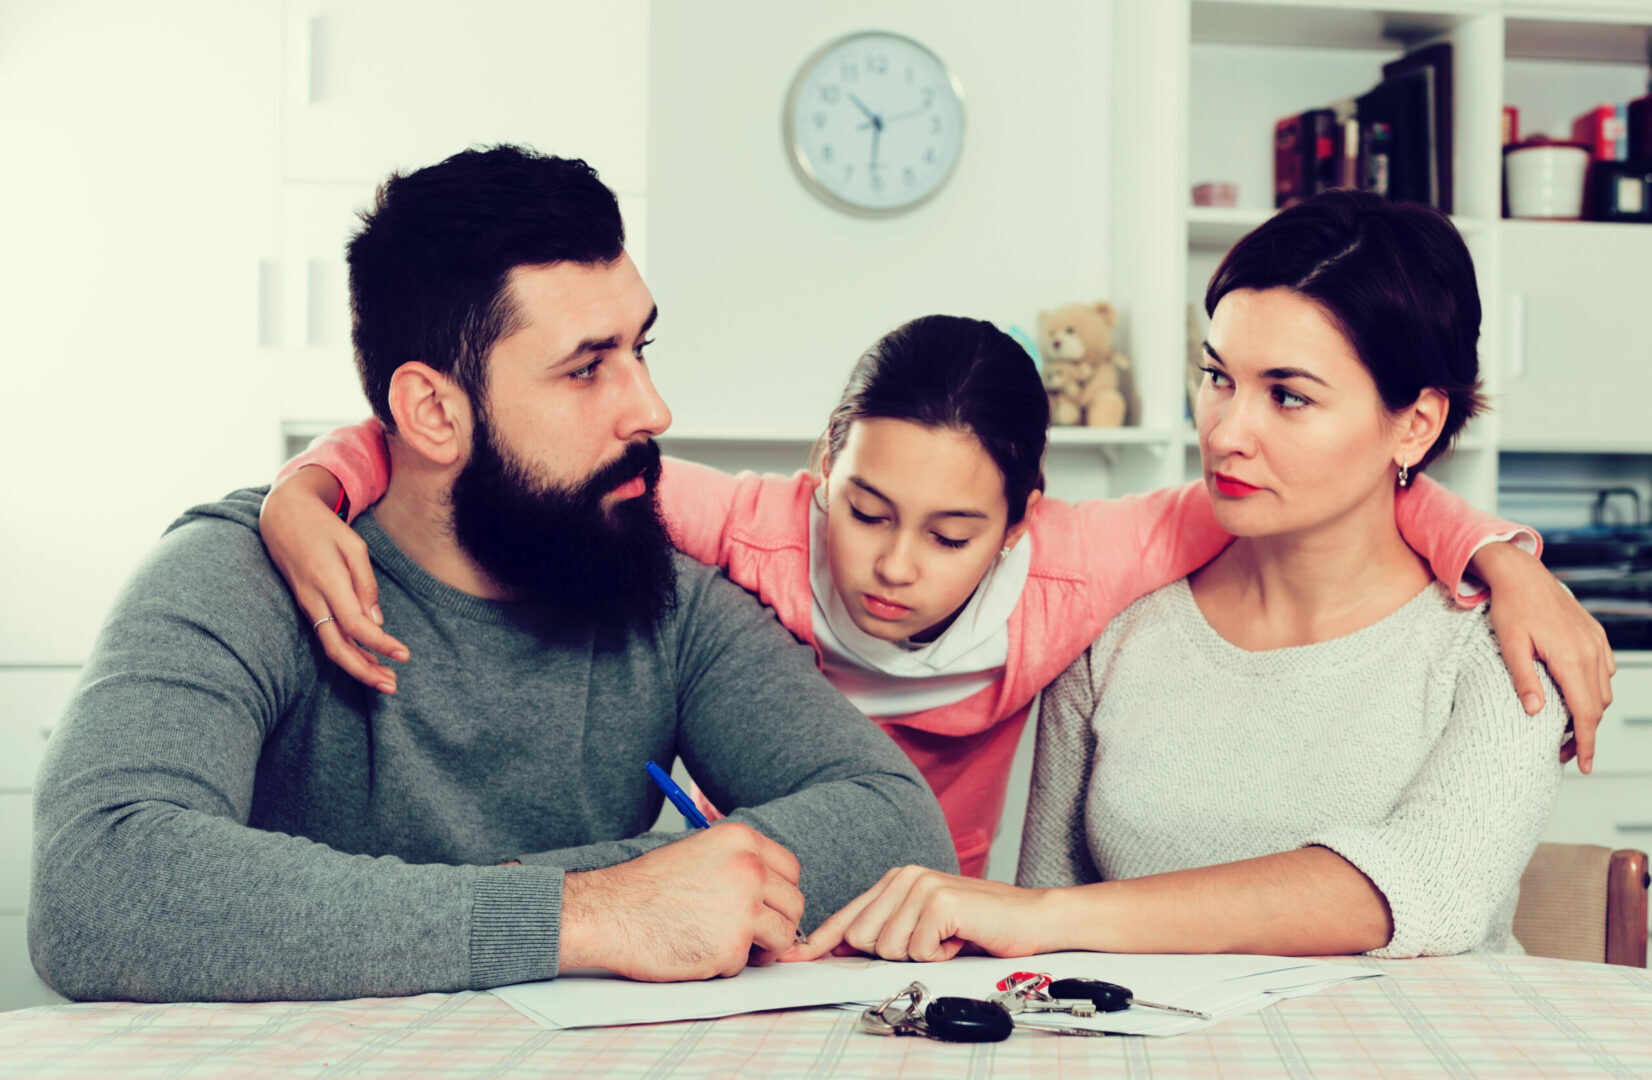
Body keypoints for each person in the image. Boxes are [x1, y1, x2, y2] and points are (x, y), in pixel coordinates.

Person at [28, 145, 956, 1004]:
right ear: (433, 410)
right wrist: (592, 910)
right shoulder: (244, 573)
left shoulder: (662, 595)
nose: (655, 409)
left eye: (641, 349)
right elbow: (97, 882)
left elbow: (894, 826)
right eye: (587, 369)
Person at [261, 302, 1611, 882]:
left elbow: (1322, 483)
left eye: (954, 532)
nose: (895, 565)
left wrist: (1500, 558)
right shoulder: (748, 524)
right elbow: (514, 441)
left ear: (1023, 522)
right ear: (819, 470)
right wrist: (308, 487)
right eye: (865, 510)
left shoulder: (1094, 559)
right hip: (750, 914)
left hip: (947, 927)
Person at [784, 190, 1573, 963]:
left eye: (1288, 397)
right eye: (1219, 376)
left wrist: (1050, 917)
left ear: (1417, 423)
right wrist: (1040, 922)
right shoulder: (1119, 622)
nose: (1228, 432)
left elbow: (1429, 887)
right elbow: (1044, 944)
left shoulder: (1508, 638)